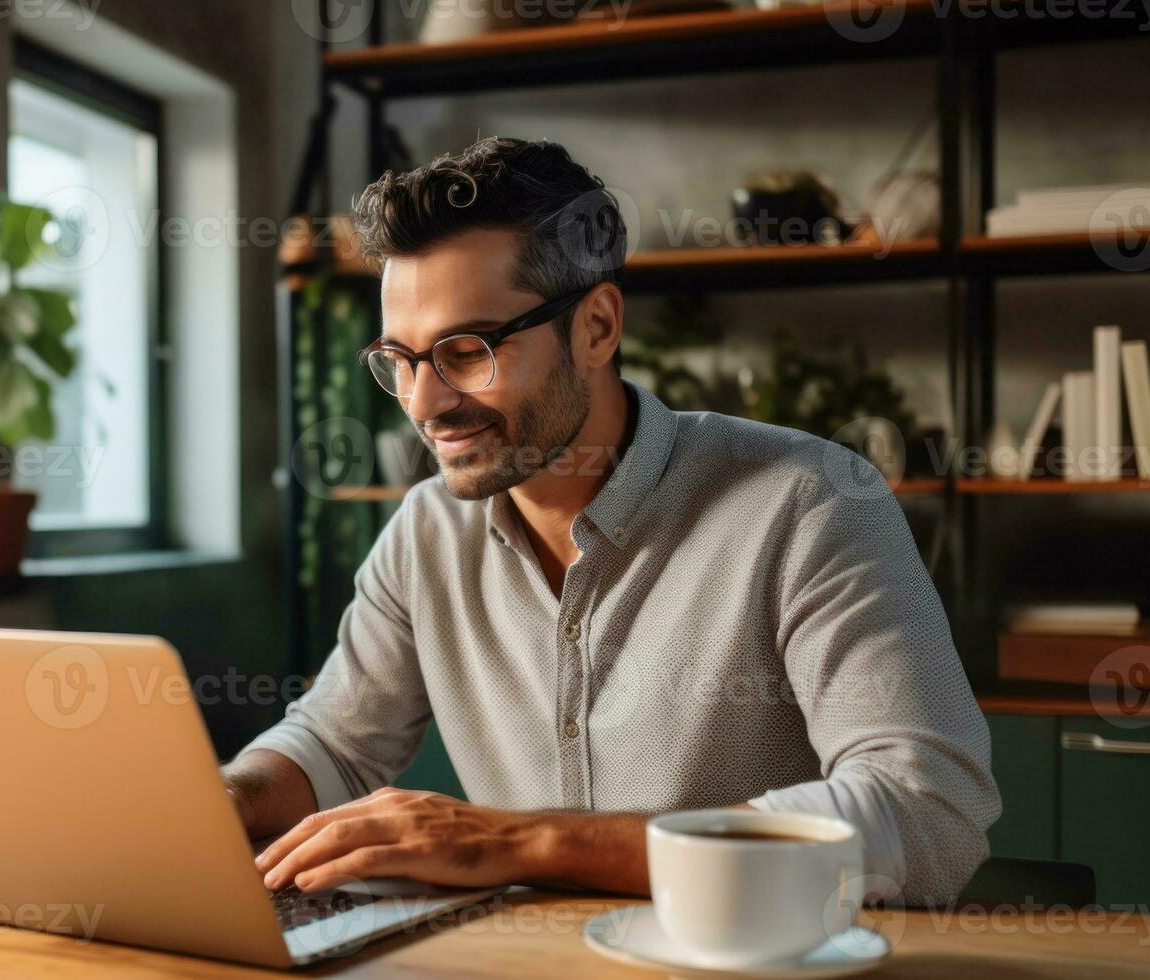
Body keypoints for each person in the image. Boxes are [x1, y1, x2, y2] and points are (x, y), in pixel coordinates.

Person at [224, 137, 998, 906]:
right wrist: (220, 800)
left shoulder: (808, 502)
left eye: (467, 351)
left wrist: (522, 843)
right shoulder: (425, 532)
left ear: (595, 327)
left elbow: (923, 810)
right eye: (400, 359)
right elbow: (332, 742)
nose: (422, 404)